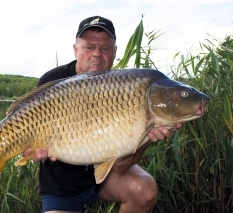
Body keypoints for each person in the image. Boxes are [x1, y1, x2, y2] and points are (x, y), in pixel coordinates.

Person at [23, 16, 182, 213]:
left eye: (105, 48)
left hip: (105, 179)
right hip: (62, 189)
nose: (97, 54)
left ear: (114, 52)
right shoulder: (53, 80)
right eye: (89, 47)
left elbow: (121, 167)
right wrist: (34, 150)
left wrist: (148, 139)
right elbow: (30, 138)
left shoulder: (123, 88)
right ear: (76, 49)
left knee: (144, 190)